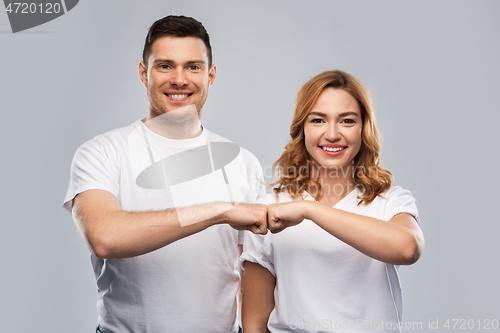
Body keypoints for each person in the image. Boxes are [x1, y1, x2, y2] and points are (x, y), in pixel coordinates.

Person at [63, 15, 268, 333]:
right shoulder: (102, 152)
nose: (180, 79)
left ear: (210, 75)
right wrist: (220, 210)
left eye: (193, 67)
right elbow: (103, 238)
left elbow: (252, 271)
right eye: (165, 66)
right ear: (144, 73)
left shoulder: (244, 164)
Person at [241, 70, 424, 333]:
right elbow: (254, 325)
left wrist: (310, 209)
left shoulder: (388, 200)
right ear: (302, 128)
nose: (332, 134)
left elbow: (408, 249)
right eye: (318, 120)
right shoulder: (272, 208)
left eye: (347, 121)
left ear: (364, 128)